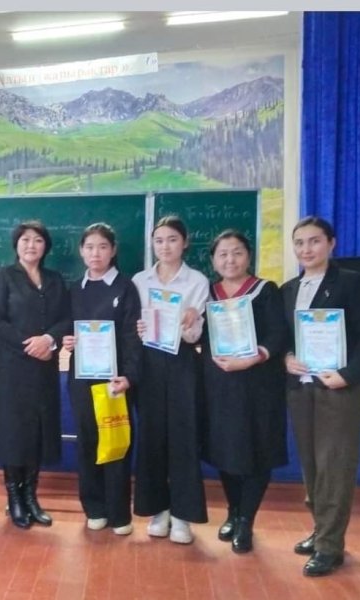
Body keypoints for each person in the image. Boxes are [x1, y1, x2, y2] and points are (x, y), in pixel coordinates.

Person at [282, 216, 360, 577]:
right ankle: (321, 528)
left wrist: (347, 375)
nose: (306, 249)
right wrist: (286, 358)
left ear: (331, 243)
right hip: (301, 389)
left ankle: (330, 547)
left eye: (314, 241)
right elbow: (283, 339)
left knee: (335, 466)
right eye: (299, 243)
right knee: (311, 465)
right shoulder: (289, 289)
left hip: (339, 389)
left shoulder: (352, 282)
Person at [201, 230, 288, 553]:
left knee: (255, 450)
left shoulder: (266, 291)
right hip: (220, 385)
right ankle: (233, 511)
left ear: (248, 256)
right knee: (226, 450)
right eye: (223, 254)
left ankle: (247, 521)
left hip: (258, 385)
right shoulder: (208, 294)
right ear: (213, 260)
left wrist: (255, 357)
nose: (230, 260)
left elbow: (278, 335)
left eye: (237, 252)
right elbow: (200, 337)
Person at [0, 220, 70, 529]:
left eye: (37, 240)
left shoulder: (55, 279)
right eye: (25, 240)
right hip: (11, 371)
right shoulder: (3, 276)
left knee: (37, 432)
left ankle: (31, 496)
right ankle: (14, 498)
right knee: (13, 433)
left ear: (46, 246)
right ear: (16, 245)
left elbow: (66, 318)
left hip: (44, 368)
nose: (31, 245)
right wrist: (29, 345)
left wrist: (49, 340)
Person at [132, 215, 209, 544]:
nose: (165, 246)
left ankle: (182, 515)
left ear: (185, 243)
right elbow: (132, 326)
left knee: (183, 437)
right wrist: (137, 328)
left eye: (172, 239)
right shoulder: (139, 280)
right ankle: (157, 510)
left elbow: (195, 336)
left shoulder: (197, 281)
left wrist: (191, 320)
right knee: (152, 438)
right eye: (159, 240)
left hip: (181, 362)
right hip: (148, 364)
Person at [62, 223, 141, 536]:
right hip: (81, 379)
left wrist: (129, 376)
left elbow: (132, 336)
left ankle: (119, 513)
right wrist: (67, 341)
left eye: (103, 247)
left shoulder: (125, 287)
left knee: (116, 443)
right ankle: (94, 508)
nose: (96, 253)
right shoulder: (74, 289)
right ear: (81, 251)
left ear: (113, 250)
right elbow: (64, 329)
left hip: (115, 381)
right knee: (88, 442)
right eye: (90, 247)